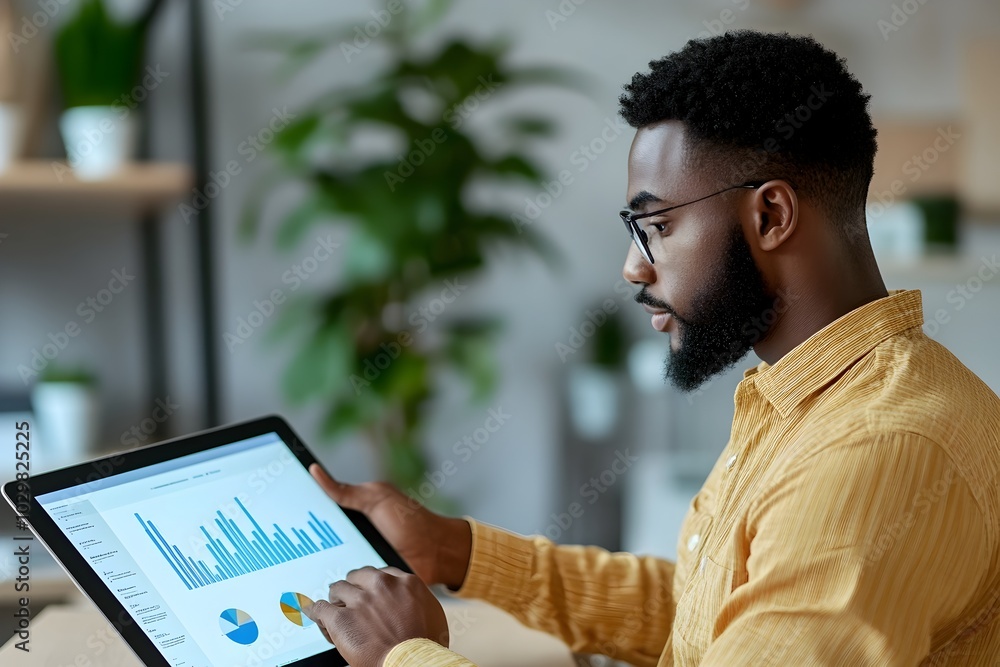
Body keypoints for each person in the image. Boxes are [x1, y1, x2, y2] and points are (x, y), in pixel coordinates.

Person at [301, 30, 1000, 666]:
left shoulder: (877, 450)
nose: (634, 267)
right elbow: (719, 616)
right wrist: (455, 549)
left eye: (656, 226)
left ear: (771, 215)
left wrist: (406, 656)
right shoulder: (816, 398)